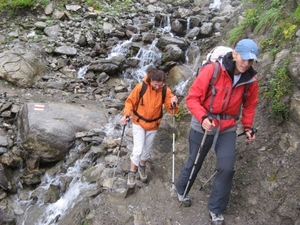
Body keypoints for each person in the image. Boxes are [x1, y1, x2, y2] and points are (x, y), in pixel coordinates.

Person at [175, 39, 259, 224]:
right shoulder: (212, 70)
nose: (246, 63)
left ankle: (216, 209)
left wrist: (247, 126)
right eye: (243, 58)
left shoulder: (250, 80)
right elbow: (192, 98)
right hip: (204, 123)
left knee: (227, 169)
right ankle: (182, 189)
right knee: (195, 161)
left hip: (227, 127)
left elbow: (250, 105)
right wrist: (203, 117)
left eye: (251, 60)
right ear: (235, 54)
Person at [121, 69, 178, 188]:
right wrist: (126, 114)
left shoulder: (165, 91)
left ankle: (142, 167)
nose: (157, 87)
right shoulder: (140, 87)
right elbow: (130, 102)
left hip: (153, 125)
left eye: (160, 85)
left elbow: (171, 110)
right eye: (155, 84)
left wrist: (174, 103)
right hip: (139, 123)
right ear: (151, 80)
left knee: (146, 150)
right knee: (138, 150)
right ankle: (132, 173)